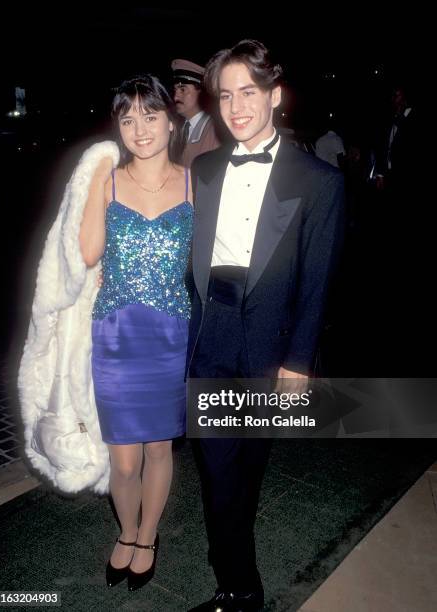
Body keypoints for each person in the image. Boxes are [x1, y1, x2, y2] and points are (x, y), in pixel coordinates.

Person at [186, 40, 345, 611]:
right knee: (218, 470)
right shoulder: (202, 169)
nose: (236, 107)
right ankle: (240, 588)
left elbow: (319, 281)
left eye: (248, 92)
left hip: (270, 345)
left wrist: (299, 361)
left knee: (244, 470)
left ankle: (237, 584)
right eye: (226, 95)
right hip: (210, 337)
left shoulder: (318, 181)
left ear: (275, 95)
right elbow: (186, 257)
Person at [19, 74, 193, 592]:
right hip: (115, 335)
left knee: (159, 449)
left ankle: (148, 535)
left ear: (172, 120)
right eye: (127, 117)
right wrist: (95, 181)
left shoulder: (196, 182)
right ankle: (126, 529)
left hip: (172, 335)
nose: (139, 128)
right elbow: (89, 254)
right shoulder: (109, 179)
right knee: (123, 457)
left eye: (150, 114)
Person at [172, 58, 221, 166]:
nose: (175, 96)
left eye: (183, 89)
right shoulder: (174, 129)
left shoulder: (216, 131)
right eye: (175, 90)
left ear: (201, 92)